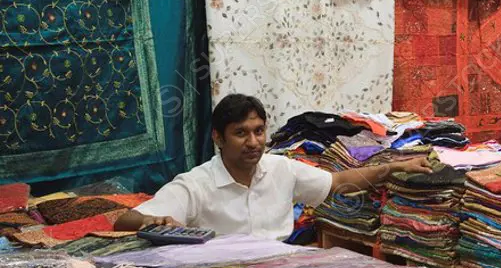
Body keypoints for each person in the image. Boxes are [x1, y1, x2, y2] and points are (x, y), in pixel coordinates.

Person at [114, 94, 431, 240]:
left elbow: (337, 183)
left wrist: (391, 169)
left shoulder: (281, 168)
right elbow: (127, 219)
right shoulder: (197, 184)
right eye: (240, 133)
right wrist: (151, 220)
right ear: (218, 138)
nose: (253, 142)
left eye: (259, 131)